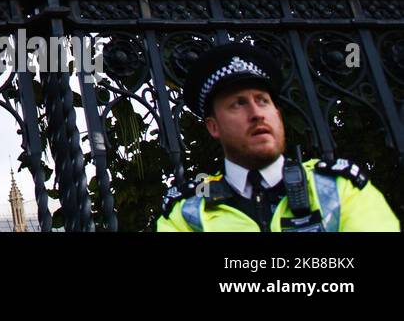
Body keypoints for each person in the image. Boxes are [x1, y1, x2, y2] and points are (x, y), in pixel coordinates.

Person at [157, 41, 399, 231]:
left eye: (262, 101)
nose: (256, 114)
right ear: (213, 127)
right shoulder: (187, 211)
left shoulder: (339, 187)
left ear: (277, 115)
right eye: (237, 104)